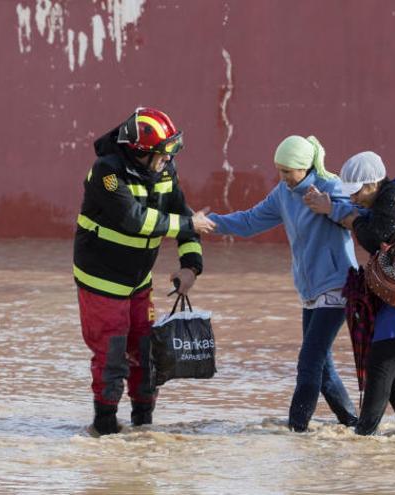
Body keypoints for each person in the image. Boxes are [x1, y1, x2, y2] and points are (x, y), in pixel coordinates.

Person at [74, 107, 214, 435]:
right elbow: (134, 220)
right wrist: (187, 223)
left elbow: (183, 215)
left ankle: (142, 428)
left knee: (146, 354)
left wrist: (191, 266)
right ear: (140, 152)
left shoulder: (164, 171)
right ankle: (105, 427)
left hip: (138, 281)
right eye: (163, 154)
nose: (169, 160)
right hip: (102, 279)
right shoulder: (107, 173)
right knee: (112, 357)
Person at [205, 135, 359, 432]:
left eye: (288, 171)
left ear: (305, 167)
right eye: (279, 170)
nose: (283, 177)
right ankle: (356, 427)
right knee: (322, 366)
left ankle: (295, 431)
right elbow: (250, 222)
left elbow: (357, 217)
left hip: (339, 285)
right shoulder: (283, 194)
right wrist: (208, 223)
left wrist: (329, 207)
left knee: (309, 361)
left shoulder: (330, 187)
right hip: (310, 289)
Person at [305, 151, 395, 435]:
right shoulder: (387, 196)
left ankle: (364, 436)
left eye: (356, 192)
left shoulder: (393, 197)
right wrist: (334, 209)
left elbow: (373, 237)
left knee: (379, 368)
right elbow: (365, 219)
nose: (353, 198)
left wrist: (349, 218)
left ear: (372, 185)